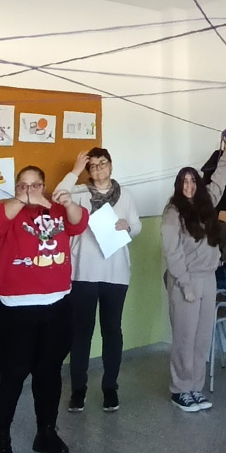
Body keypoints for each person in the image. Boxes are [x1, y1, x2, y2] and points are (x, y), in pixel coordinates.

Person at [0, 165, 88, 453]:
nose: (30, 190)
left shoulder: (58, 210)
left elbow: (80, 223)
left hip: (57, 305)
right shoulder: (7, 212)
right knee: (11, 374)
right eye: (23, 185)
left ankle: (46, 433)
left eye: (36, 185)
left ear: (45, 186)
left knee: (49, 372)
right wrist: (21, 199)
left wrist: (67, 203)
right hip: (14, 309)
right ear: (15, 188)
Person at [51, 148, 142, 413]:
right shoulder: (79, 193)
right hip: (83, 273)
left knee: (112, 330)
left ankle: (110, 388)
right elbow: (57, 196)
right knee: (82, 333)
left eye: (103, 164)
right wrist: (75, 169)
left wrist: (127, 226)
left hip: (116, 273)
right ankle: (78, 390)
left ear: (111, 166)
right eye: (93, 166)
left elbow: (137, 226)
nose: (99, 169)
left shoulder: (126, 195)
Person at [161, 137, 226, 412]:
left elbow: (219, 181)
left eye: (193, 181)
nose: (189, 186)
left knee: (202, 338)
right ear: (178, 186)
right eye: (184, 182)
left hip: (208, 278)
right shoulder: (173, 212)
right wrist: (185, 284)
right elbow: (172, 252)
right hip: (186, 280)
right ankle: (180, 390)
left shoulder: (206, 204)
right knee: (185, 338)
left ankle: (194, 388)